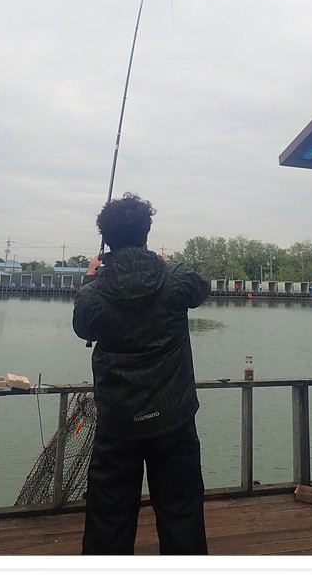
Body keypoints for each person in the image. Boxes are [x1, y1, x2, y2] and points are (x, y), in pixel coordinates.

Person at [72, 192, 210, 555]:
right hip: (174, 417)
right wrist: (167, 263)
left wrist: (89, 278)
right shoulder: (175, 278)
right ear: (147, 233)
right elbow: (201, 288)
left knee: (108, 521)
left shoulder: (94, 292)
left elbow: (83, 328)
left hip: (118, 422)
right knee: (181, 514)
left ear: (106, 239)